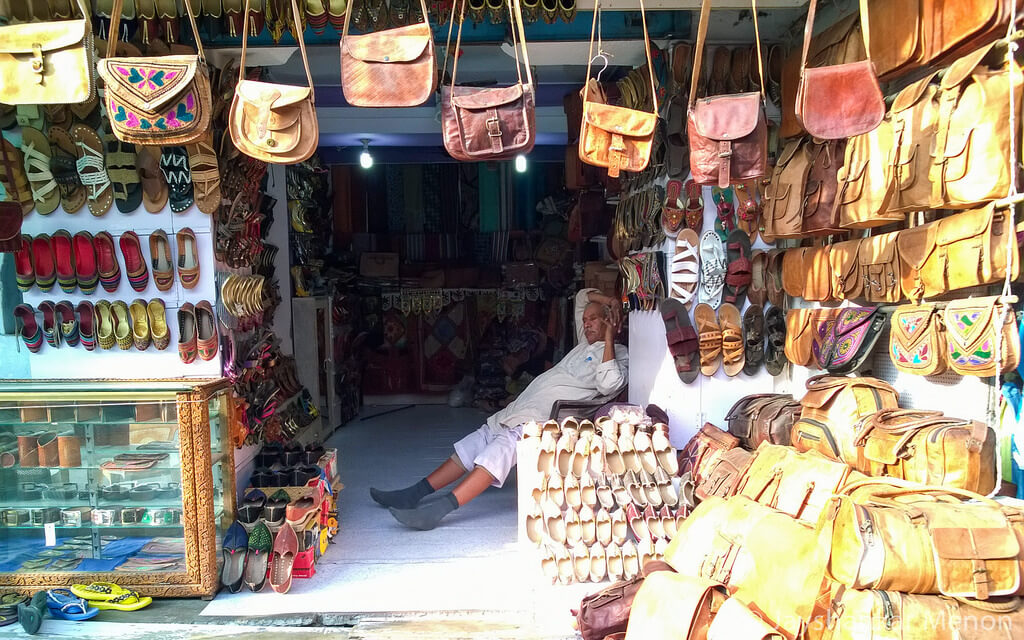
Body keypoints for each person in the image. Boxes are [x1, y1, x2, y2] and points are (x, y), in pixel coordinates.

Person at [370, 288, 629, 531]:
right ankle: (414, 494)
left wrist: (609, 336)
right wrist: (609, 303)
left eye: (594, 319)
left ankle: (438, 511)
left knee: (500, 449)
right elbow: (583, 296)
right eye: (585, 319)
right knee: (475, 442)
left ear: (608, 323)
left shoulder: (618, 354)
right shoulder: (584, 345)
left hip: (545, 420)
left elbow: (610, 385)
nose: (586, 323)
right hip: (521, 409)